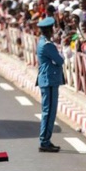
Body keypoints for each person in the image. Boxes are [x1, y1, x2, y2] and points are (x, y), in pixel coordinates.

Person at [36, 17, 64, 152]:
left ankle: (45, 139)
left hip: (47, 79)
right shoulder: (48, 45)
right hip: (49, 80)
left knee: (48, 111)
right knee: (49, 112)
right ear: (49, 30)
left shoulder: (42, 42)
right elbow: (59, 60)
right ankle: (44, 141)